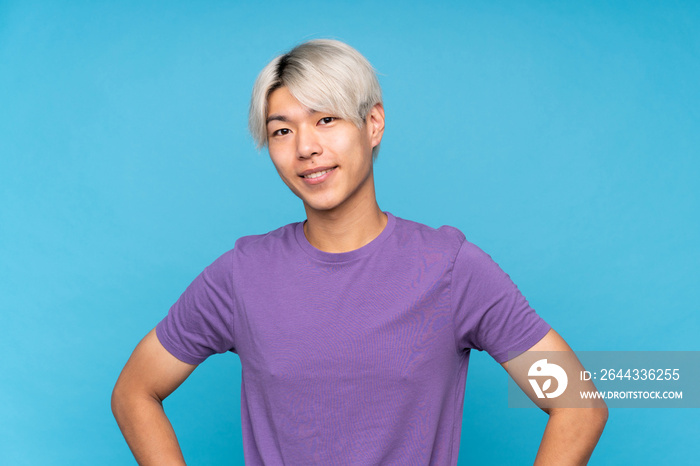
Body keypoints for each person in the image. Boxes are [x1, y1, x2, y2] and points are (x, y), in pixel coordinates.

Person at [112, 39, 607, 465]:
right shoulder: (242, 275)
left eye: (326, 119)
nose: (305, 147)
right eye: (282, 129)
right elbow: (135, 392)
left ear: (373, 125)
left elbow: (578, 403)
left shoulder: (450, 268)